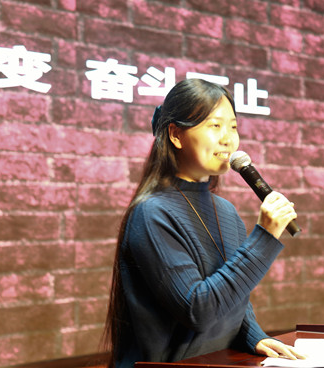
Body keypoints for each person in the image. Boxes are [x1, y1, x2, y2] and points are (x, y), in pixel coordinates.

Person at [102, 79, 303, 368]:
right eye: (215, 126)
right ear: (176, 135)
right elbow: (198, 310)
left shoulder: (226, 211)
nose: (228, 139)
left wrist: (252, 335)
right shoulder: (151, 213)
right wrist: (265, 237)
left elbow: (232, 294)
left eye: (233, 127)